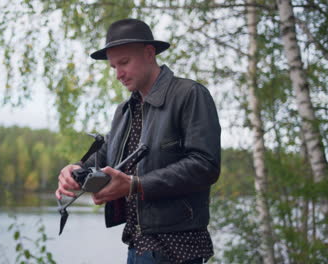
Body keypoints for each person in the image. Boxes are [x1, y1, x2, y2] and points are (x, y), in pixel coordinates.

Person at [55, 18, 221, 264]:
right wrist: (76, 170)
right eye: (113, 67)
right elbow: (106, 155)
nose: (118, 75)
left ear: (149, 53)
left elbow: (205, 166)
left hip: (179, 249)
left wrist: (135, 184)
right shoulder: (124, 110)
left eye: (124, 63)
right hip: (137, 245)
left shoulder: (189, 95)